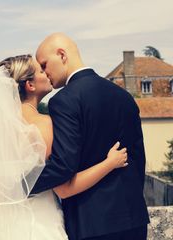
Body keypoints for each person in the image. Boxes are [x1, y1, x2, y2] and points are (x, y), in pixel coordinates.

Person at [0, 54, 128, 240]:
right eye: (41, 70)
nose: (47, 72)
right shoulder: (45, 125)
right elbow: (64, 189)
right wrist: (109, 163)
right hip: (38, 223)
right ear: (30, 85)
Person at [31, 33, 150, 240]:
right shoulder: (124, 97)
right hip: (134, 219)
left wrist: (20, 186)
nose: (44, 72)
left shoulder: (64, 101)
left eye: (44, 64)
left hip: (92, 224)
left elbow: (63, 167)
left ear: (62, 55)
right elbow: (138, 159)